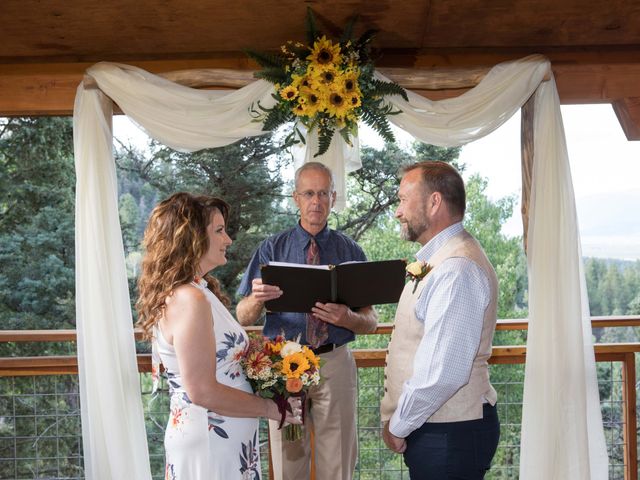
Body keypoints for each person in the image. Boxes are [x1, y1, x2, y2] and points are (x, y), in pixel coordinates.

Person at [136, 192, 301, 480]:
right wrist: (271, 408)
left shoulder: (198, 291)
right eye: (219, 230)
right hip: (211, 442)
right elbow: (202, 390)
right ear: (192, 237)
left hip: (224, 440)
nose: (229, 240)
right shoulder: (190, 299)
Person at [236, 162, 378, 480]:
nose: (317, 202)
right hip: (284, 365)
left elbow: (371, 321)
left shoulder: (351, 251)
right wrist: (257, 299)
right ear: (296, 198)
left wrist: (348, 317)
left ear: (333, 197)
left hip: (335, 362)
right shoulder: (270, 249)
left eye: (324, 194)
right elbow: (242, 316)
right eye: (309, 194)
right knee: (288, 463)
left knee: (338, 461)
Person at [380, 161, 500, 479]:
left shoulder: (456, 268)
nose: (398, 211)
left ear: (434, 202)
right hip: (441, 431)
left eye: (403, 199)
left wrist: (399, 424)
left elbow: (444, 372)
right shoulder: (441, 259)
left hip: (450, 435)